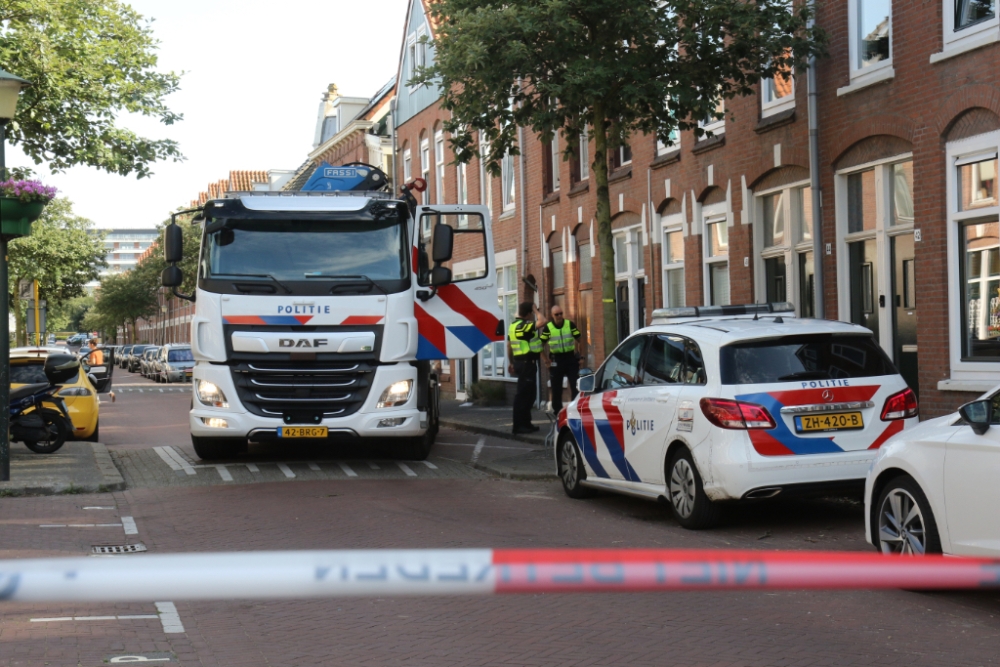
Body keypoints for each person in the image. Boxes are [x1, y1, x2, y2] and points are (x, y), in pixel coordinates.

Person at [507, 301, 546, 434]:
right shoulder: (524, 325)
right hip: (526, 364)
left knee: (528, 395)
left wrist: (511, 362)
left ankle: (526, 423)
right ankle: (519, 426)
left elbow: (508, 345)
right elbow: (543, 321)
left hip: (520, 362)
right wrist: (535, 309)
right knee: (524, 396)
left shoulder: (513, 326)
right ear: (528, 313)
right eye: (532, 312)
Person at [540, 305, 582, 415]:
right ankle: (557, 411)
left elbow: (580, 339)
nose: (559, 316)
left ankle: (575, 408)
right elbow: (540, 346)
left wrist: (580, 356)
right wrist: (545, 361)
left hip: (570, 358)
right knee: (556, 387)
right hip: (556, 359)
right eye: (556, 314)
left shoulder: (570, 324)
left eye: (561, 313)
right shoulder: (548, 328)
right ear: (552, 315)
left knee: (575, 384)